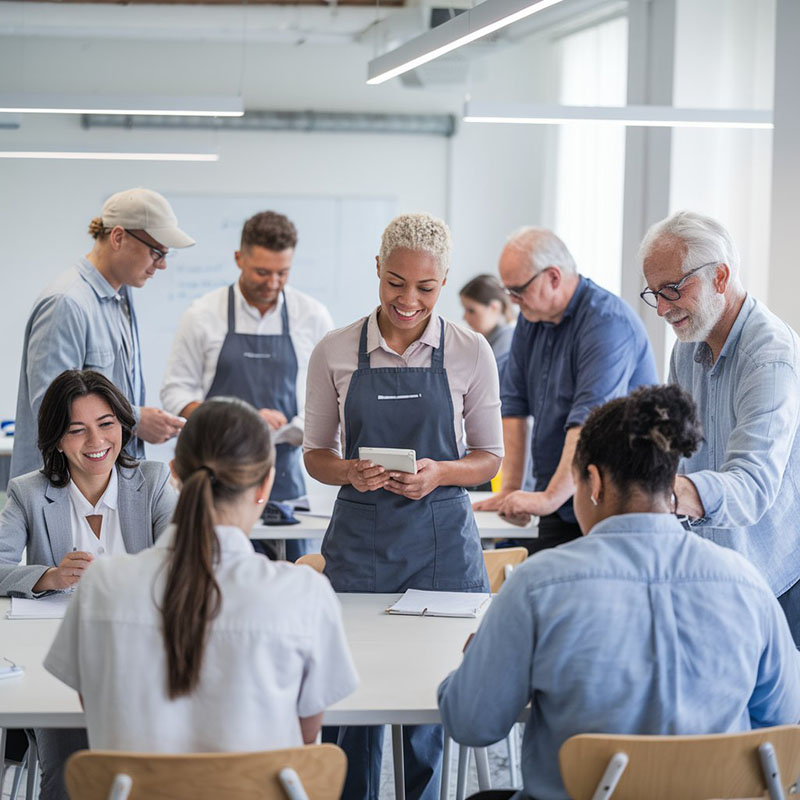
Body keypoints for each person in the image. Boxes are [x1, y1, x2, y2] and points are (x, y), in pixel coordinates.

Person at [438, 385, 800, 800]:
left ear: (593, 482)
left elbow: (471, 724)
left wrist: (475, 665)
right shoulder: (747, 584)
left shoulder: (538, 585)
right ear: (671, 481)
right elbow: (785, 722)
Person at [303, 213, 503, 800]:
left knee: (428, 706)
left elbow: (489, 459)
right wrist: (350, 472)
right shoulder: (335, 351)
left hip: (442, 548)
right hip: (358, 547)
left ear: (444, 282)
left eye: (426, 287)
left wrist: (441, 473)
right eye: (395, 283)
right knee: (348, 709)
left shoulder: (472, 352)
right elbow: (316, 455)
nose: (408, 300)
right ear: (377, 270)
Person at [44, 396, 359, 755]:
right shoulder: (303, 592)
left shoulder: (101, 584)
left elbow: (96, 710)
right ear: (264, 486)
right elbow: (304, 738)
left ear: (175, 472)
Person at [0, 369, 177, 800]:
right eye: (77, 430)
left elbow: (186, 560)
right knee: (70, 773)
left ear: (123, 426)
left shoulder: (153, 482)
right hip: (61, 660)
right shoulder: (29, 491)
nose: (96, 442)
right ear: (58, 440)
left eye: (107, 425)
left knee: (162, 763)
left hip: (148, 654)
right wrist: (48, 576)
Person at [639, 210, 800, 644]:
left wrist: (665, 494)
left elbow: (751, 487)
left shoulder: (769, 356)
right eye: (654, 294)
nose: (662, 308)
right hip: (710, 575)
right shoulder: (685, 350)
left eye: (673, 289)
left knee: (771, 713)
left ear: (721, 276)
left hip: (775, 579)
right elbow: (673, 448)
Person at [161, 210, 333, 559]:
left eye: (282, 273)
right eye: (261, 272)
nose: (272, 283)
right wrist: (242, 421)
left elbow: (330, 397)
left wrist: (299, 426)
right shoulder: (202, 315)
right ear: (239, 259)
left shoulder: (312, 317)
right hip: (213, 481)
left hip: (284, 478)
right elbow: (175, 392)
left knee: (288, 579)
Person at [475, 227, 657, 552]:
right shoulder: (532, 318)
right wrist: (510, 490)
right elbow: (514, 407)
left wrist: (547, 498)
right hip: (561, 497)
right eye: (509, 293)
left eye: (518, 291)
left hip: (611, 505)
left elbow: (587, 422)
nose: (513, 303)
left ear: (554, 277)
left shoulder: (606, 324)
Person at [11, 188, 193, 479]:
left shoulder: (121, 298)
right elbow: (50, 407)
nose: (162, 265)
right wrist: (135, 419)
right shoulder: (66, 303)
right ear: (118, 237)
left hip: (102, 486)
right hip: (62, 491)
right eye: (156, 252)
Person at [459, 274, 515, 374]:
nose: (465, 317)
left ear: (494, 308)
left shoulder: (507, 342)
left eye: (471, 311)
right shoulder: (489, 340)